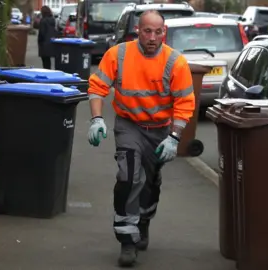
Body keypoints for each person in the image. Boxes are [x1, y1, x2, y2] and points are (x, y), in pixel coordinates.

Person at [86, 10, 195, 268]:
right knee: (129, 176)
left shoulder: (175, 63)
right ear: (138, 30)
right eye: (147, 31)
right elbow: (97, 87)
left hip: (159, 129)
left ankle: (143, 221)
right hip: (129, 125)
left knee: (150, 182)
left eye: (158, 32)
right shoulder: (118, 55)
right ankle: (127, 240)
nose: (153, 37)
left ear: (164, 33)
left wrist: (174, 138)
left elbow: (184, 104)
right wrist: (96, 119)